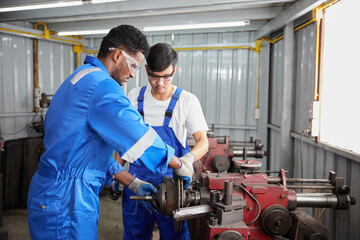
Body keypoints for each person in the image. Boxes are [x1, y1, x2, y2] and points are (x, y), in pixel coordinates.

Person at [27, 25, 194, 240]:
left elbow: (87, 155)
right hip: (67, 198)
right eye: (133, 65)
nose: (133, 74)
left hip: (57, 193)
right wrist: (178, 165)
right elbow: (140, 138)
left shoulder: (81, 77)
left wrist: (131, 182)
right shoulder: (102, 87)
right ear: (117, 55)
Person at [118, 43, 209, 240]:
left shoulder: (187, 101)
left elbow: (203, 141)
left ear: (175, 70)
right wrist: (117, 174)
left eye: (166, 76)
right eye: (154, 76)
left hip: (172, 186)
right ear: (146, 69)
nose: (159, 83)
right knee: (135, 235)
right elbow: (123, 140)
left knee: (174, 236)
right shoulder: (134, 97)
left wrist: (187, 161)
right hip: (136, 182)